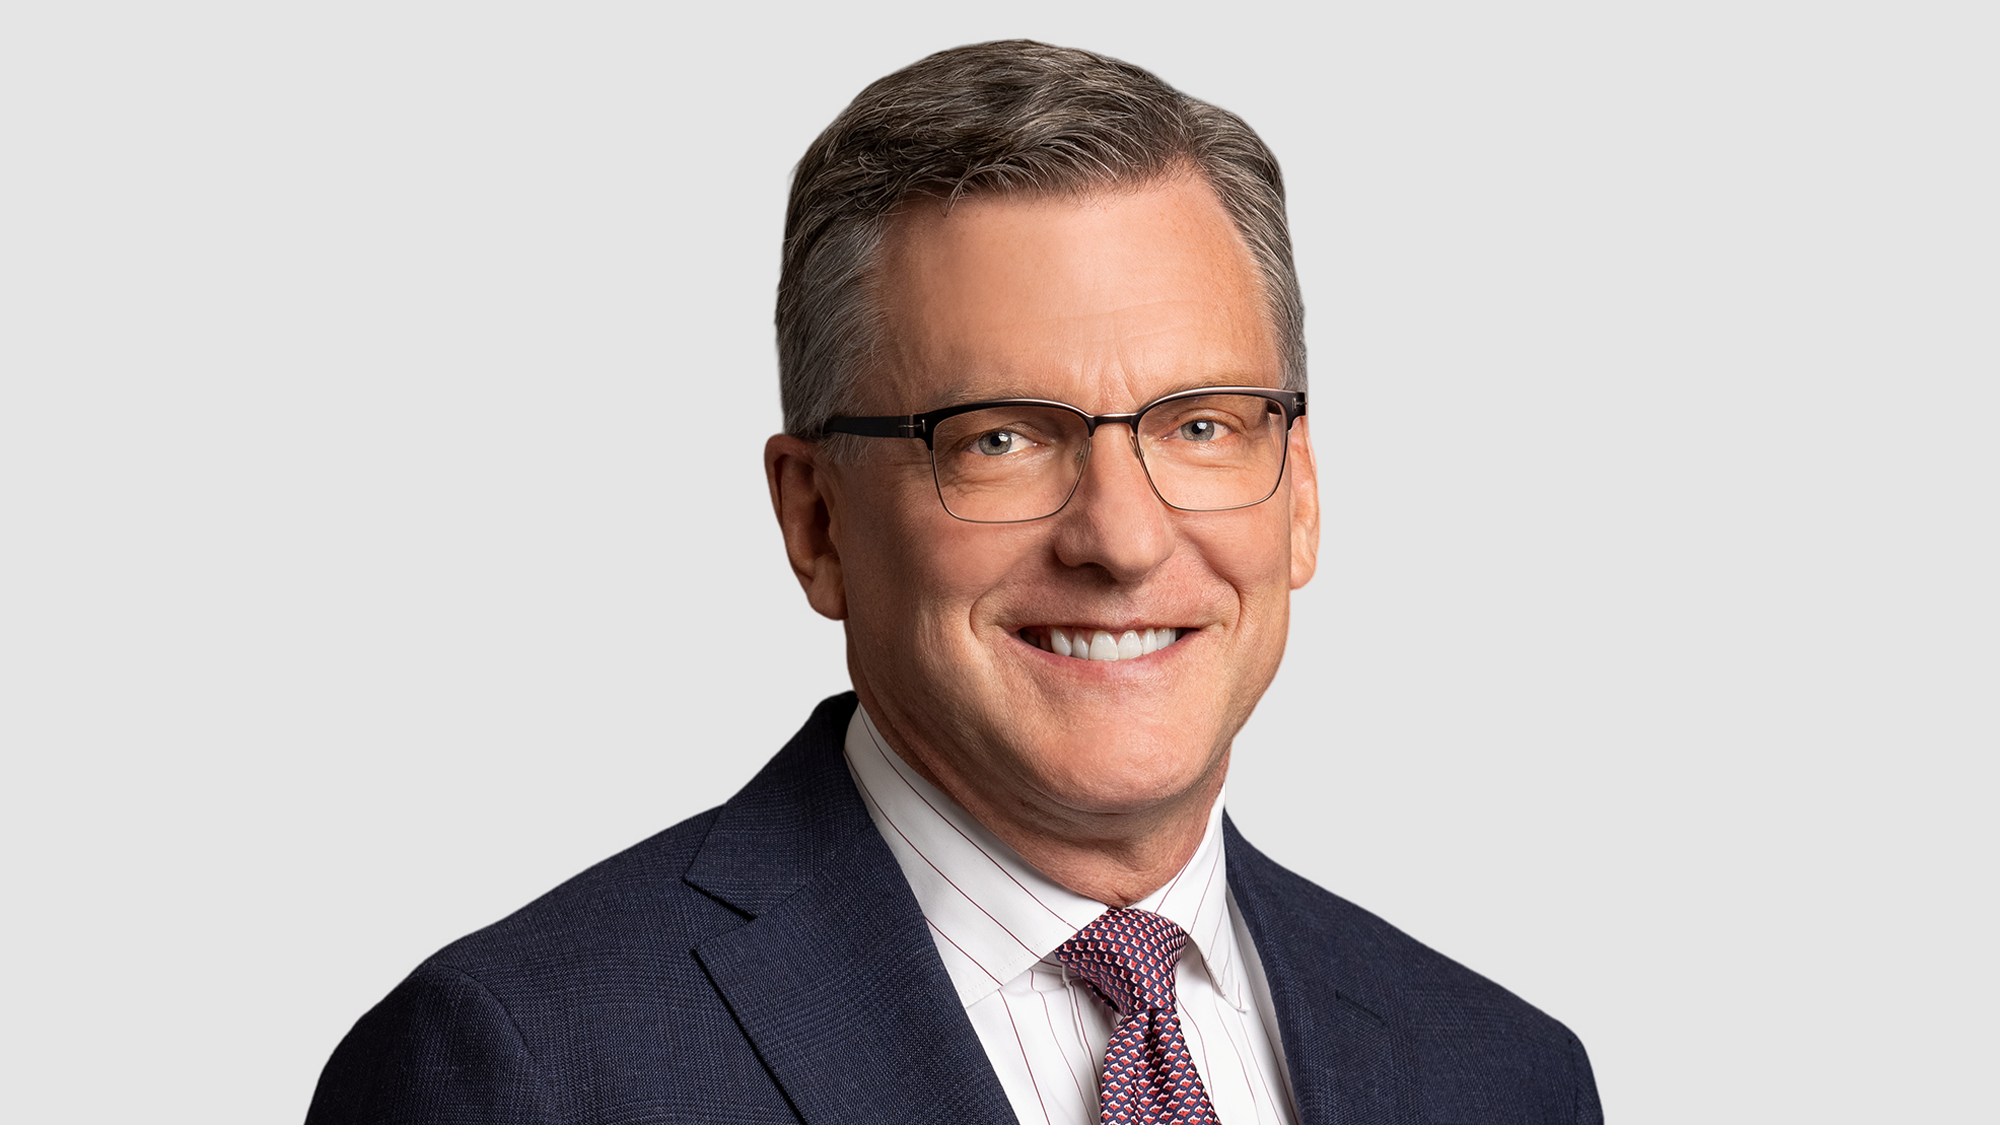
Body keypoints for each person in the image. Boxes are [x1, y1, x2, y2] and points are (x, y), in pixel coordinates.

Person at [307, 40, 1602, 1125]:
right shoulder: (523, 1070)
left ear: (1300, 495)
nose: (1122, 539)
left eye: (1201, 426)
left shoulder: (1501, 1078)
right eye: (999, 440)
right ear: (816, 521)